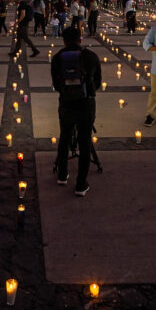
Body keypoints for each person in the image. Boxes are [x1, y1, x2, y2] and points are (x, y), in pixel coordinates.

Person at [51, 26, 102, 197]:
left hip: (66, 104)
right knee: (85, 141)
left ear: (64, 41)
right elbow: (98, 82)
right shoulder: (91, 56)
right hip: (86, 104)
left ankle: (62, 175)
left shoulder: (57, 58)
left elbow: (56, 84)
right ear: (80, 39)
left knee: (64, 137)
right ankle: (81, 184)